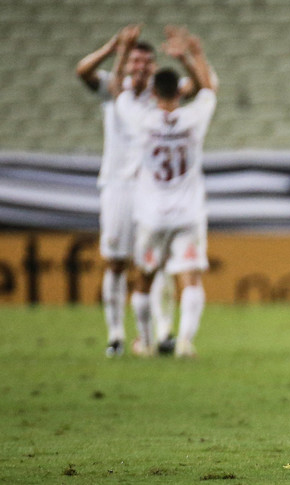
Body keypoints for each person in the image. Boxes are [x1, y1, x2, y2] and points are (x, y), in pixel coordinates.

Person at [115, 26, 217, 358]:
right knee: (189, 277)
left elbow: (119, 93)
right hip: (188, 212)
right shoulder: (193, 118)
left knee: (144, 278)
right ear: (179, 91)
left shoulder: (143, 121)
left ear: (155, 93)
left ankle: (145, 341)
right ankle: (185, 341)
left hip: (152, 214)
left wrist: (122, 54)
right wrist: (192, 55)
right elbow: (208, 89)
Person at [76, 25, 177, 357]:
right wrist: (113, 47)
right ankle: (116, 334)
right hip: (117, 186)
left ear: (154, 66)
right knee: (117, 262)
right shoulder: (111, 87)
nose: (141, 67)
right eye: (136, 61)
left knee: (154, 263)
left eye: (147, 62)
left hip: (151, 188)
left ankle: (158, 334)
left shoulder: (160, 95)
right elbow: (83, 70)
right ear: (127, 62)